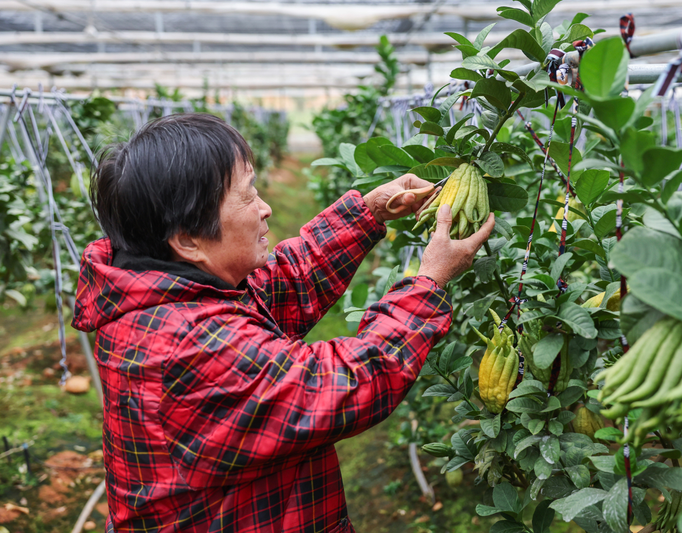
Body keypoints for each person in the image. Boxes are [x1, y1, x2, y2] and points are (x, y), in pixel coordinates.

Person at [72, 113, 494, 533]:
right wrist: (429, 282)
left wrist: (370, 212)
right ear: (187, 239)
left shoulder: (168, 293)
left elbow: (286, 281)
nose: (265, 208)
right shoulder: (188, 345)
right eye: (247, 196)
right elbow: (345, 384)